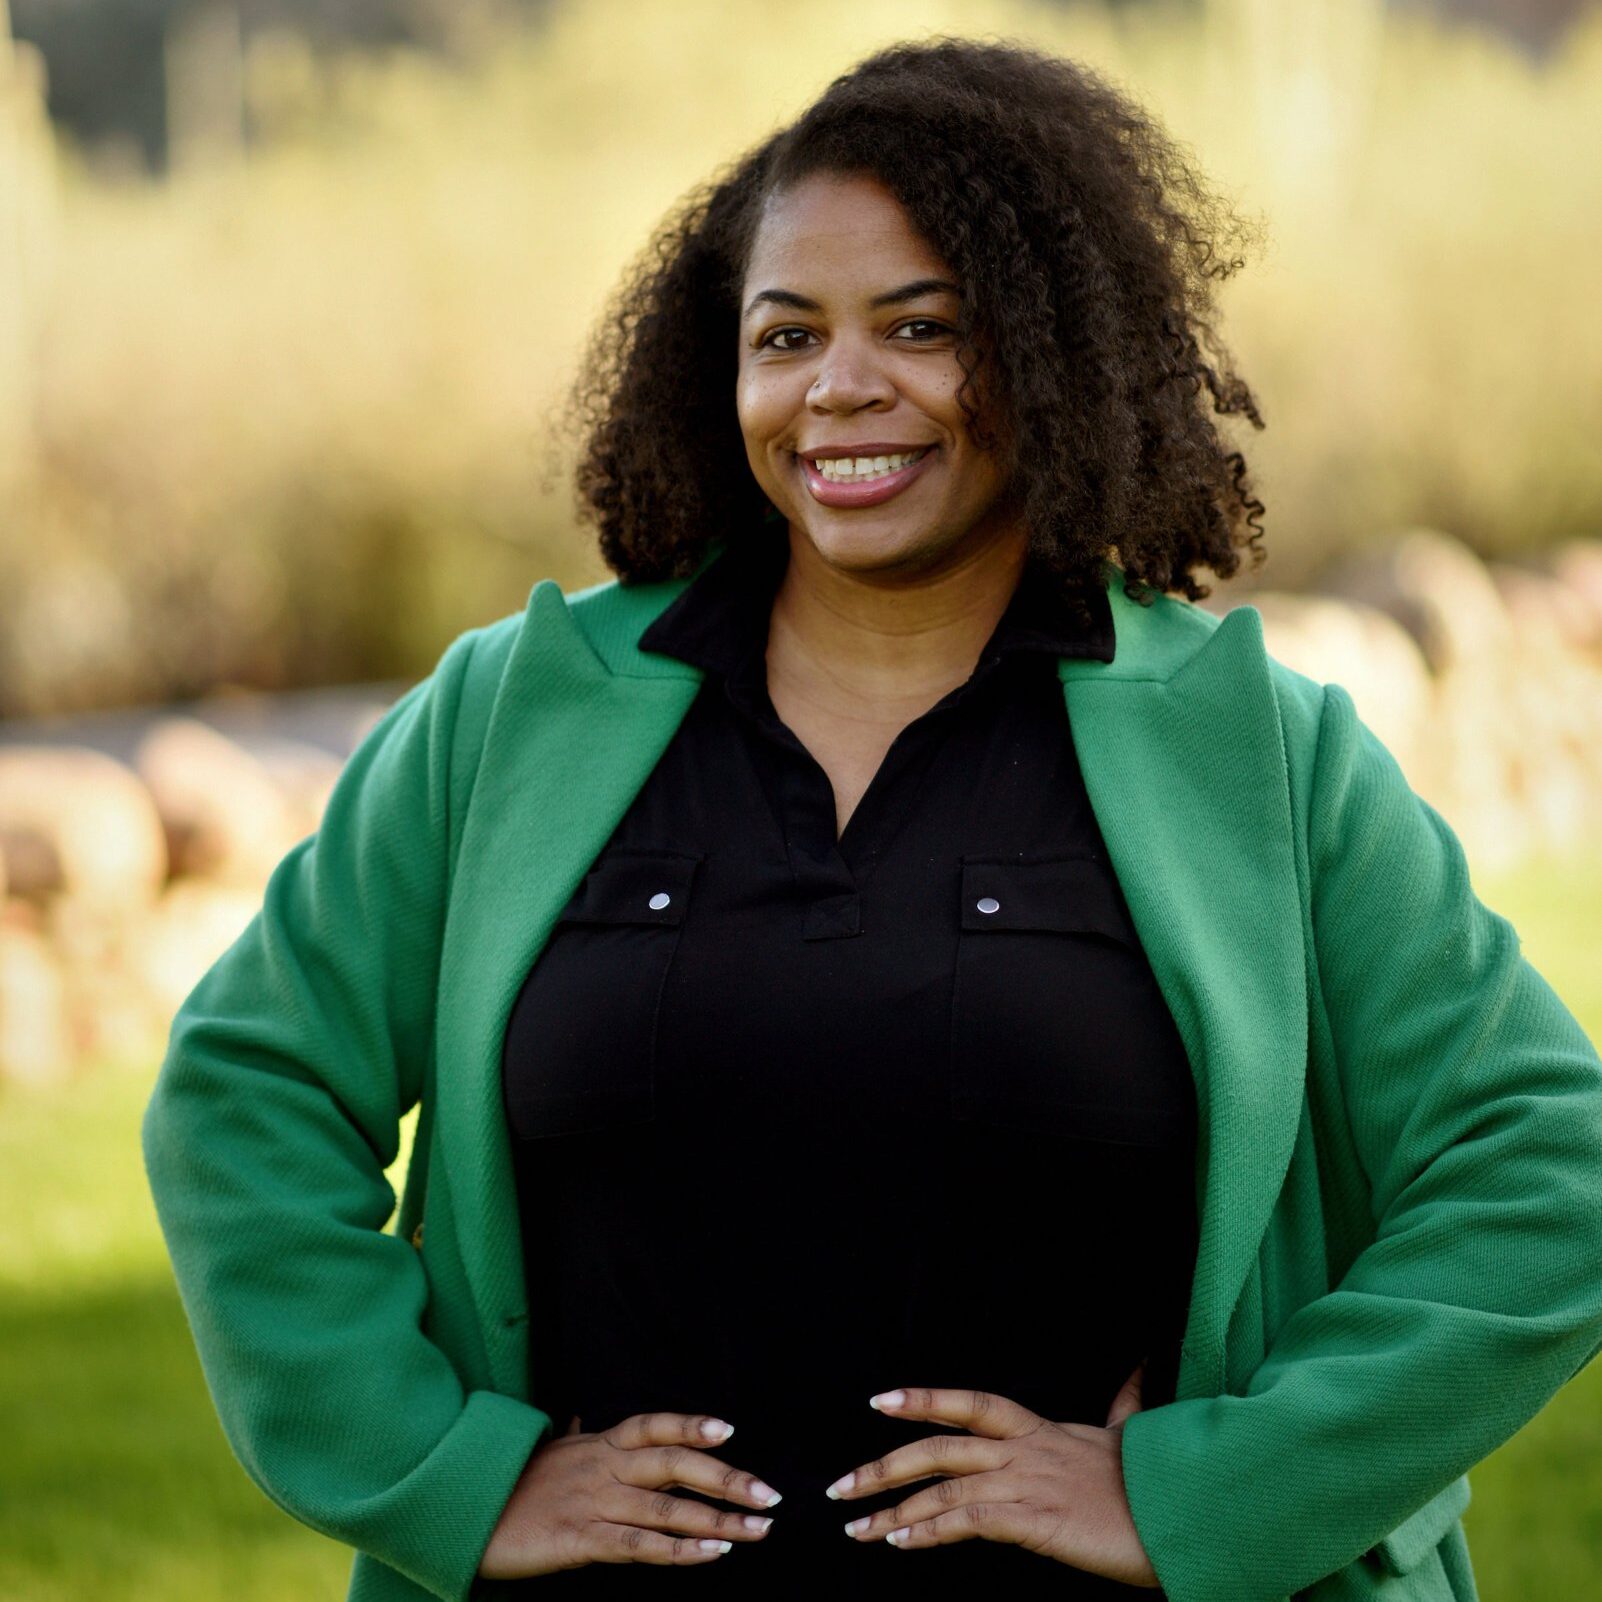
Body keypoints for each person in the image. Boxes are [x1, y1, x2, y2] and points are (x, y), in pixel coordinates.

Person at [141, 37, 1602, 1602]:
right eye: (788, 335)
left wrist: (1206, 1489)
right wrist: (443, 1471)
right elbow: (248, 1091)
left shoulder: (1256, 750)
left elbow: (1543, 1162)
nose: (840, 387)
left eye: (920, 327)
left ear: (1047, 353)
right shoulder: (513, 715)